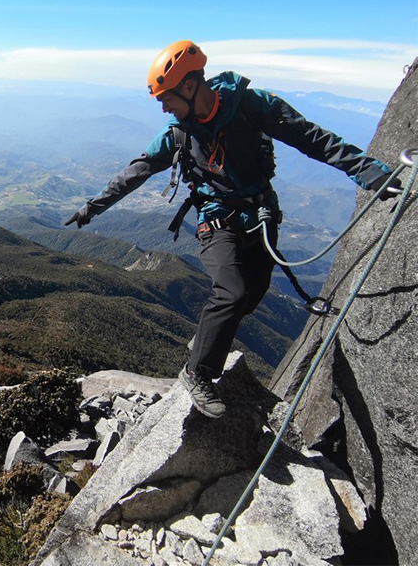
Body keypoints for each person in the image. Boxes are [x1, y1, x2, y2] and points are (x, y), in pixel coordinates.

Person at [65, 40, 399, 419]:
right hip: (216, 220)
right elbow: (136, 171)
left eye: (166, 98)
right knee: (233, 292)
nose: (163, 108)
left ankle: (207, 338)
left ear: (190, 86)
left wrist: (367, 170)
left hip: (260, 215)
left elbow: (311, 138)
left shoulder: (253, 106)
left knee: (252, 293)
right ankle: (197, 372)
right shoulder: (178, 133)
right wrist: (92, 207)